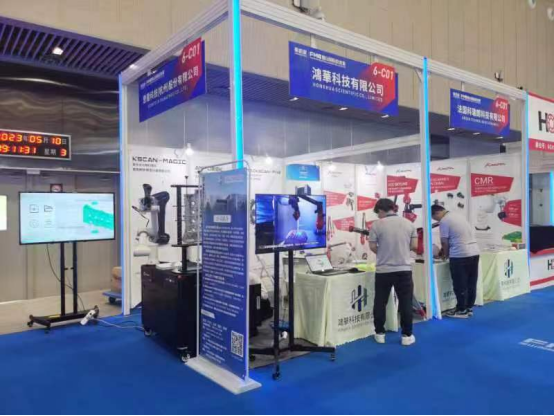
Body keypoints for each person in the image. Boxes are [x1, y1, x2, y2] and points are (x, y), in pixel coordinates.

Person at [369, 198, 418, 347]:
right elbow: (414, 246)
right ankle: (407, 335)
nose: (378, 216)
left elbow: (372, 247)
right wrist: (400, 251)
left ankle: (379, 333)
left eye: (378, 213)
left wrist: (384, 252)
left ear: (381, 210)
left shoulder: (376, 225)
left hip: (383, 270)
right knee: (405, 302)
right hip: (404, 269)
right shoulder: (409, 224)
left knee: (380, 302)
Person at [432, 205, 480, 319]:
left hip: (460, 254)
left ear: (437, 213)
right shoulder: (458, 216)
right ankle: (468, 307)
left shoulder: (444, 221)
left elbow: (444, 242)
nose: (436, 220)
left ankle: (461, 310)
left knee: (460, 283)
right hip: (474, 252)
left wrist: (446, 255)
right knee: (471, 282)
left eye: (434, 218)